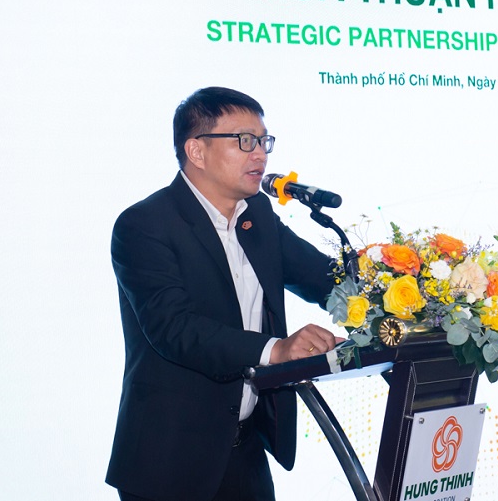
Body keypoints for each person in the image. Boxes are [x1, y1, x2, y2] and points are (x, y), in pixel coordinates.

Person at [105, 86, 341, 501]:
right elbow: (175, 330)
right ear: (196, 150)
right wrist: (276, 350)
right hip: (170, 461)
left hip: (245, 452)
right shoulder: (145, 225)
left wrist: (411, 295)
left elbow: (325, 280)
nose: (260, 155)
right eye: (245, 141)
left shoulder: (258, 215)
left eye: (264, 141)